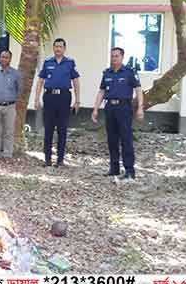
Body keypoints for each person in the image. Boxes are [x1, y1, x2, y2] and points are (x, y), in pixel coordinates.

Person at [92, 47, 144, 180]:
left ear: (122, 57)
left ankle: (129, 170)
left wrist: (140, 108)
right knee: (112, 139)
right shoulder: (107, 73)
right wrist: (96, 109)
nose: (114, 58)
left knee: (126, 139)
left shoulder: (129, 72)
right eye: (112, 56)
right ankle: (114, 168)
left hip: (124, 108)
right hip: (110, 108)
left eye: (116, 56)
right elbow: (102, 91)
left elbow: (138, 90)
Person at [34, 38, 81, 168]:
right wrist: (36, 98)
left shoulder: (70, 63)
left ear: (64, 49)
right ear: (54, 48)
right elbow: (40, 81)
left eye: (60, 46)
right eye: (56, 46)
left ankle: (60, 160)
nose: (58, 49)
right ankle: (47, 160)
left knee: (62, 130)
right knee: (48, 129)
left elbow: (76, 81)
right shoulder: (47, 62)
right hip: (49, 97)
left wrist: (77, 100)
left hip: (64, 98)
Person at [0, 50, 21, 159]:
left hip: (10, 107)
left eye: (6, 57)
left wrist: (10, 99)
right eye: (2, 57)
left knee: (9, 132)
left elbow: (19, 90)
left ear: (10, 59)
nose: (3, 59)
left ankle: (7, 154)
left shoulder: (16, 74)